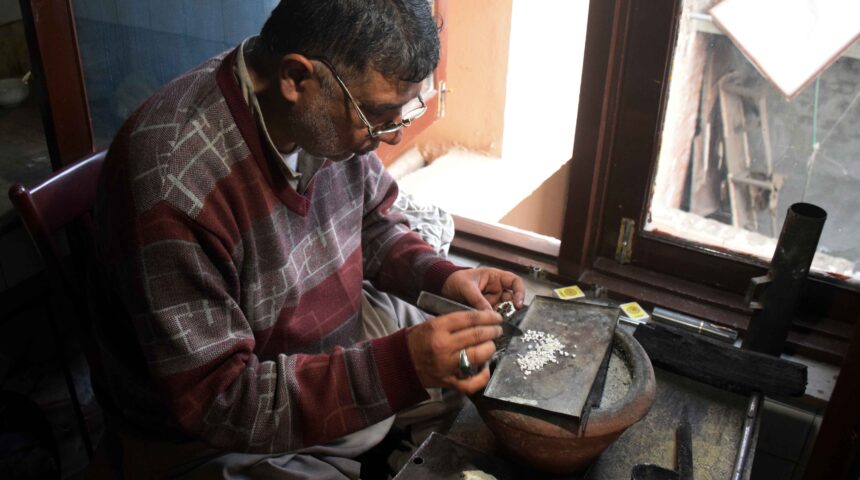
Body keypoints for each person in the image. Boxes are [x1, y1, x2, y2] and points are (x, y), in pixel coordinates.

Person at [91, 0, 525, 478]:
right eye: (378, 115)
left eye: (399, 114)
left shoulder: (323, 111)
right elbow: (220, 401)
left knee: (476, 366)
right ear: (296, 78)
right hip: (220, 425)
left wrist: (442, 278)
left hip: (327, 335)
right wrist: (401, 367)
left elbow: (374, 222)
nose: (392, 138)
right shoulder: (175, 187)